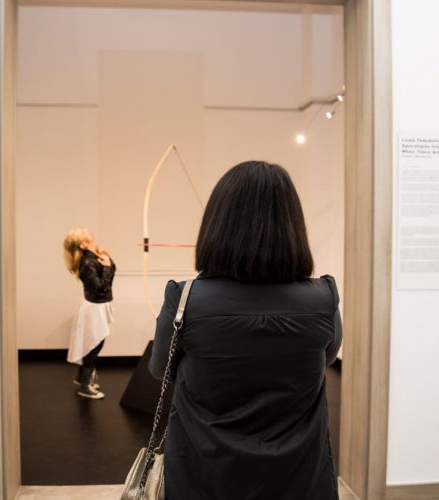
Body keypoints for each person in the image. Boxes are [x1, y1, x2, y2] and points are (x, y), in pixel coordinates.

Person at [149, 161, 342, 499]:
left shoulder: (186, 299)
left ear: (216, 224)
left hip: (204, 474)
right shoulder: (323, 298)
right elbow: (325, 359)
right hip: (299, 476)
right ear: (293, 226)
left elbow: (160, 370)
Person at [63, 228, 116, 400]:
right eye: (81, 232)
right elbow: (100, 288)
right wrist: (107, 267)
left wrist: (107, 261)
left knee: (93, 344)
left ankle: (82, 378)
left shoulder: (95, 255)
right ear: (82, 244)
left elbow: (109, 276)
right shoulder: (87, 262)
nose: (85, 229)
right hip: (95, 309)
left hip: (100, 306)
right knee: (93, 346)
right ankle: (85, 386)